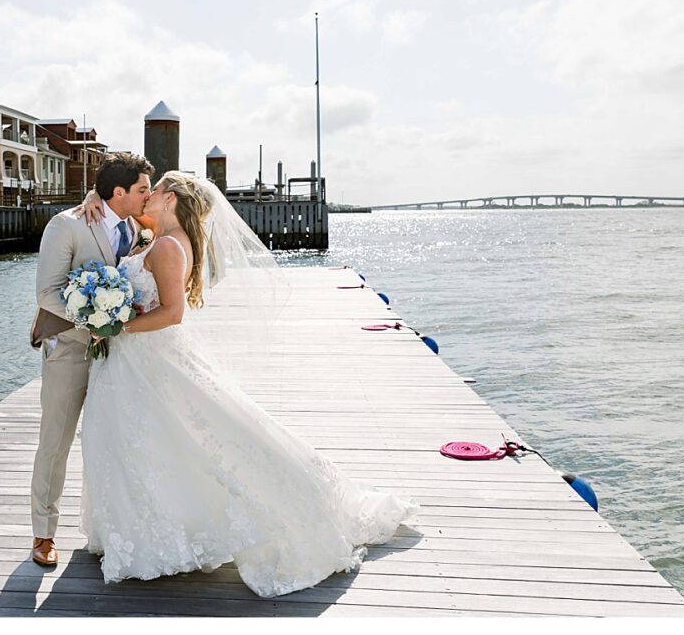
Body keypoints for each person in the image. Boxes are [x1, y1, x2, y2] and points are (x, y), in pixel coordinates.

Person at [73, 171, 417, 597]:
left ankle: (164, 535)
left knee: (177, 437)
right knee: (151, 440)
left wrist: (115, 327)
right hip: (137, 359)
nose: (148, 195)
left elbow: (173, 313)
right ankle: (142, 530)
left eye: (154, 189)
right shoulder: (163, 236)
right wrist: (93, 195)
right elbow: (120, 210)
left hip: (147, 355)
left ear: (171, 199)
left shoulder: (166, 245)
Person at [28, 152, 152, 566]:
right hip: (69, 349)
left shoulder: (139, 226)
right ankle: (43, 534)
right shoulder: (67, 225)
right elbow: (47, 293)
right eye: (142, 189)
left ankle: (119, 527)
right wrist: (96, 317)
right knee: (56, 442)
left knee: (117, 441)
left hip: (121, 356)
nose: (148, 196)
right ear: (119, 191)